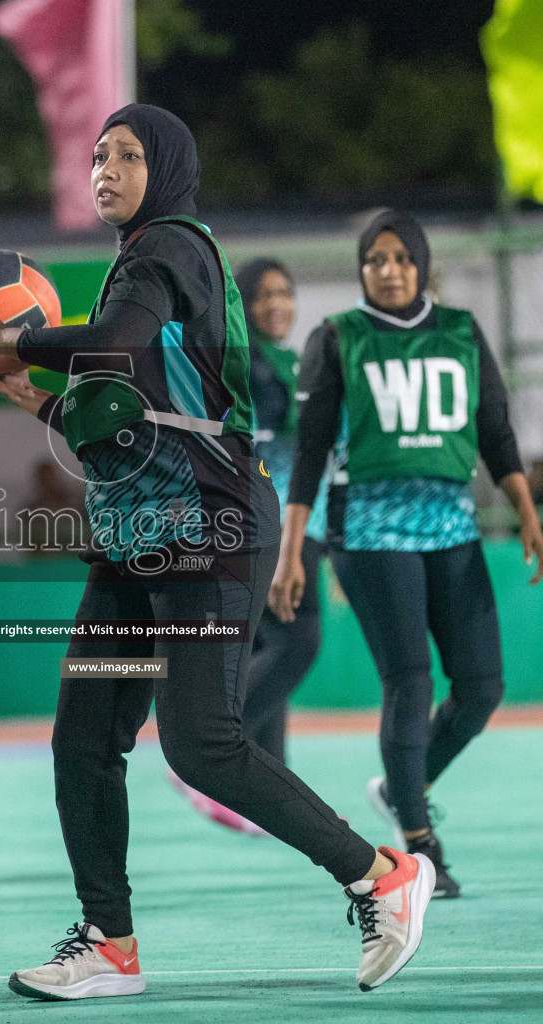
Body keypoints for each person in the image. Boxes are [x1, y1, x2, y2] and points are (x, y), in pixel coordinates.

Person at [0, 104, 435, 1002]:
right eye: (97, 155)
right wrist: (23, 390)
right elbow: (115, 420)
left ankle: (381, 876)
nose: (105, 168)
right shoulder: (139, 267)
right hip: (138, 537)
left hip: (207, 525)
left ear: (166, 170)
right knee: (85, 740)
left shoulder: (169, 245)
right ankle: (109, 943)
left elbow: (115, 344)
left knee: (201, 744)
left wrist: (8, 337)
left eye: (127, 155)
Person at [273, 208, 543, 900]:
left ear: (422, 265)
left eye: (400, 258)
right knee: (411, 681)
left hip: (452, 527)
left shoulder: (461, 332)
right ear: (361, 270)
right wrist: (291, 551)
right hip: (367, 532)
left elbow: (495, 431)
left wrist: (525, 512)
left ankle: (405, 783)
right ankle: (422, 847)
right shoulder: (337, 339)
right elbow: (307, 453)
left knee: (483, 687)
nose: (388, 270)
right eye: (375, 259)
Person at [164, 257, 333, 835]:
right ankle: (206, 753)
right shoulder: (244, 365)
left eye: (285, 292)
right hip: (268, 522)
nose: (277, 305)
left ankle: (265, 784)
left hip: (287, 521)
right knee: (298, 641)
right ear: (242, 303)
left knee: (270, 643)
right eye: (262, 295)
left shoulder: (285, 361)